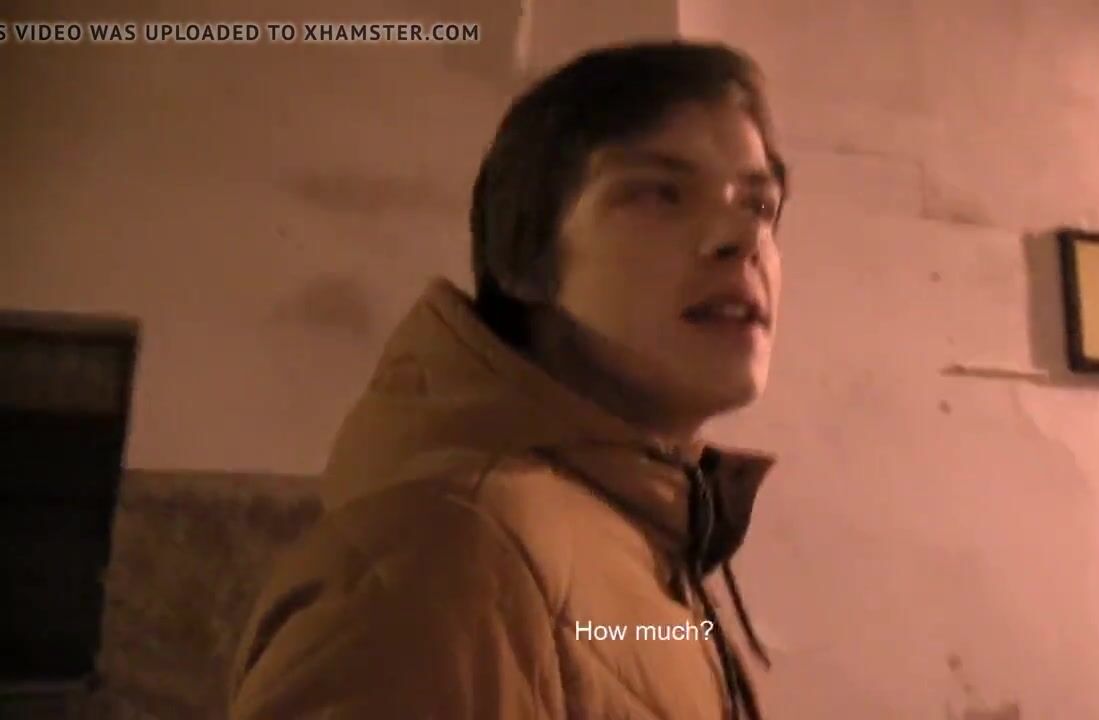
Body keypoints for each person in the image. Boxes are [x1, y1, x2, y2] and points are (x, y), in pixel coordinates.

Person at [228, 39, 788, 720]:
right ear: (526, 261)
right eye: (659, 194)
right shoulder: (445, 560)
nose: (742, 237)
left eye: (759, 205)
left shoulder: (642, 538)